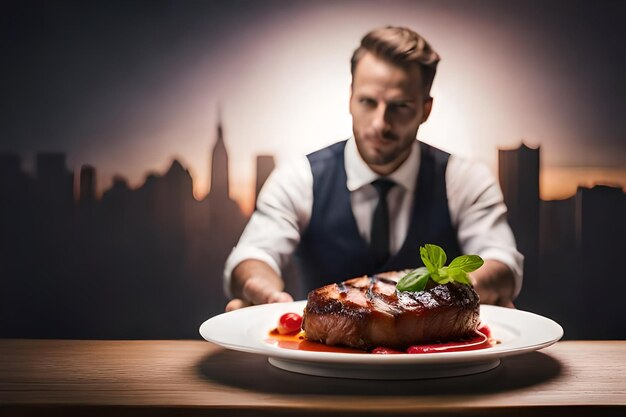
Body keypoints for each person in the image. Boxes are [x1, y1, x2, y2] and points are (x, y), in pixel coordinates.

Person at [224, 26, 523, 311]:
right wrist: (263, 292)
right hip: (322, 361)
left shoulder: (464, 179)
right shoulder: (300, 177)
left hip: (436, 362)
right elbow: (255, 255)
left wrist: (466, 291)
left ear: (425, 109)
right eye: (368, 102)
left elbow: (500, 261)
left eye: (400, 106)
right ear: (350, 98)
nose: (380, 123)